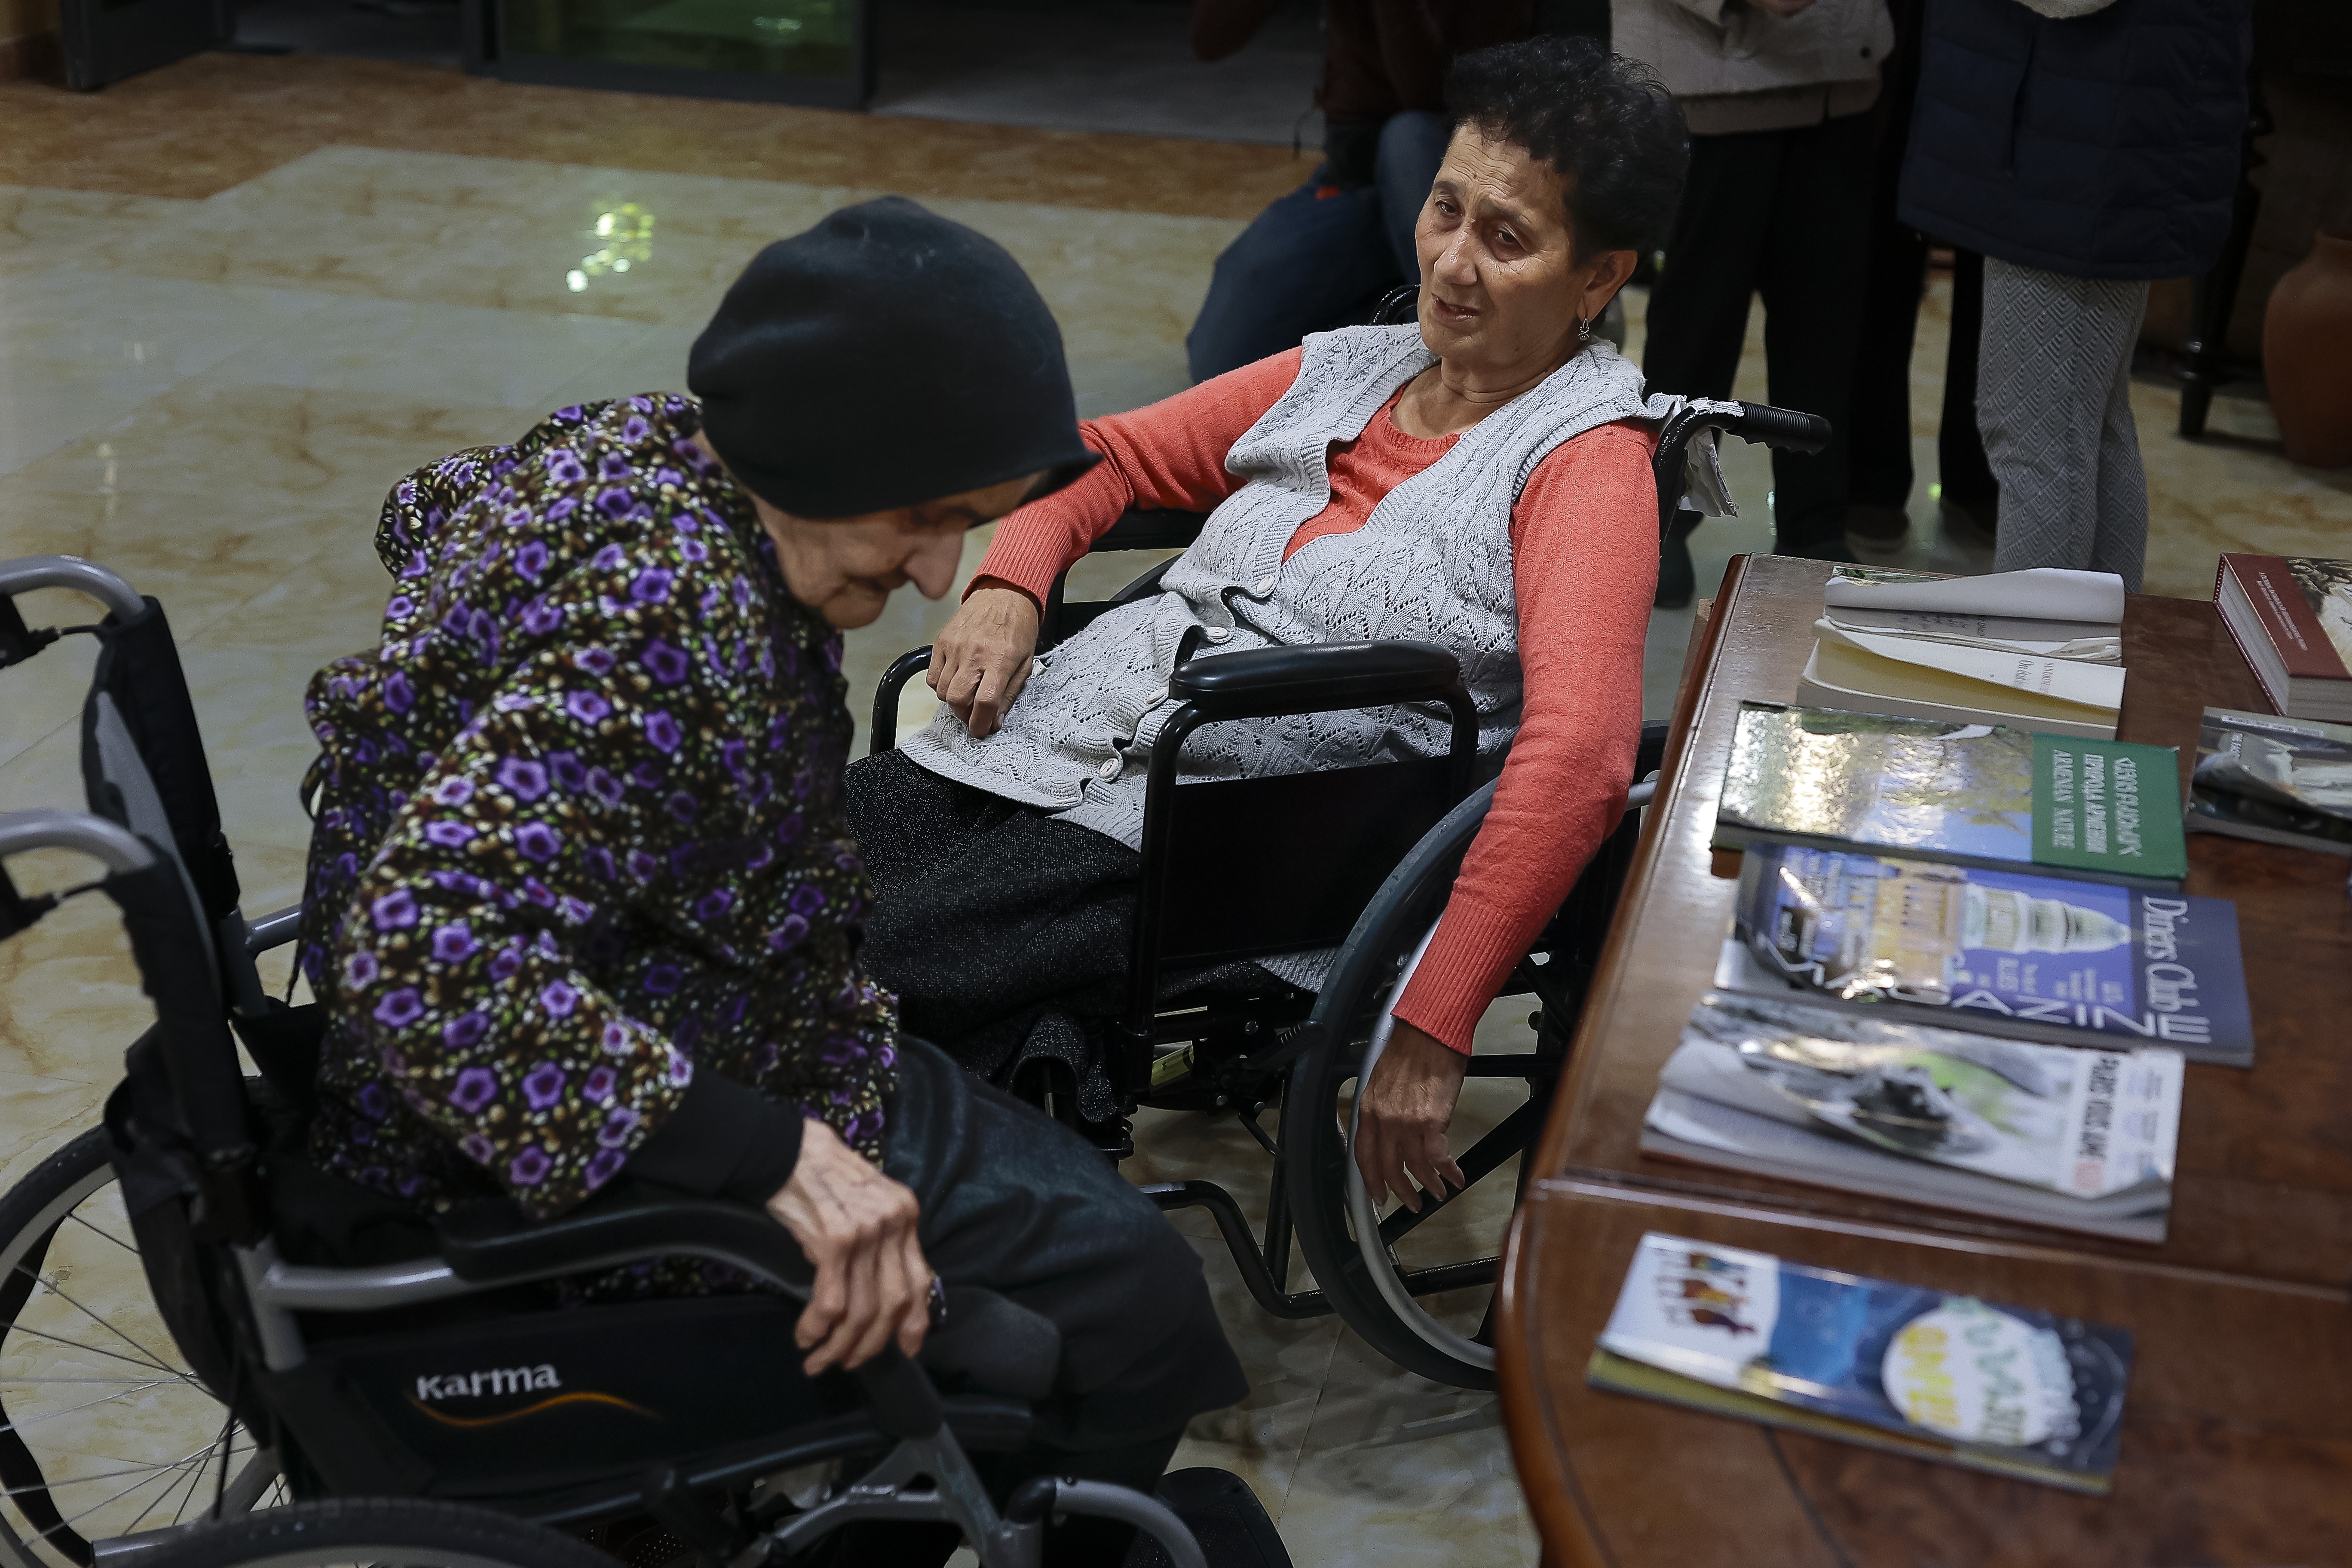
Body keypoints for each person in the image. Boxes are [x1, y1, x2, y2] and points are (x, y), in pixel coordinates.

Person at [289, 198, 1246, 1566]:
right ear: (819, 446)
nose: (934, 576)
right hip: (632, 1132)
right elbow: (422, 949)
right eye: (922, 518)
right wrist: (774, 1152)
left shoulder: (625, 444)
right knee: (1138, 1296)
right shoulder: (672, 629)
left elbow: (422, 506)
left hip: (655, 1025)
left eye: (964, 529)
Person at [848, 37, 1689, 1219]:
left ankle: (830, 1210)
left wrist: (1433, 1024)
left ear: (1599, 277)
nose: (1451, 262)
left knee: (864, 963)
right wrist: (1012, 583)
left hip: (1236, 834)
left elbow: (1583, 760)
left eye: (1509, 238)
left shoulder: (1585, 465)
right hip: (1062, 735)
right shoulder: (1352, 367)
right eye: (1445, 208)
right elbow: (1111, 454)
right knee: (773, 874)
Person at [1899, 0, 2253, 591]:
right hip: (2092, 119)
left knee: (2039, 437)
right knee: (2086, 427)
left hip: (2081, 131)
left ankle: (2035, 673)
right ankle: (2088, 658)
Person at [1611, 0, 1894, 606]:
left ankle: (1815, 523)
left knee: (1826, 322)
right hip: (1701, 80)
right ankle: (1660, 525)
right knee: (1695, 328)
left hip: (1835, 76)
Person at [1182, 0, 1535, 384]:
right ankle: (1388, 315)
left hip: (1450, 185)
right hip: (1353, 181)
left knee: (1408, 137)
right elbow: (1209, 41)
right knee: (1219, 364)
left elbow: (1433, 96)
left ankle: (1479, 351)